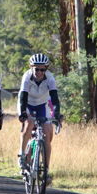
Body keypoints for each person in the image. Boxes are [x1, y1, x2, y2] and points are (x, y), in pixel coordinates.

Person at [17, 53, 61, 184]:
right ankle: (21, 155)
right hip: (27, 104)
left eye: (43, 69)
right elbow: (23, 97)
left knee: (47, 134)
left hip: (42, 104)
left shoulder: (50, 78)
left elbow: (55, 98)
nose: (40, 72)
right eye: (37, 69)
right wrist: (23, 113)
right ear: (31, 67)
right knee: (29, 123)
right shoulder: (26, 77)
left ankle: (46, 171)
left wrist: (57, 114)